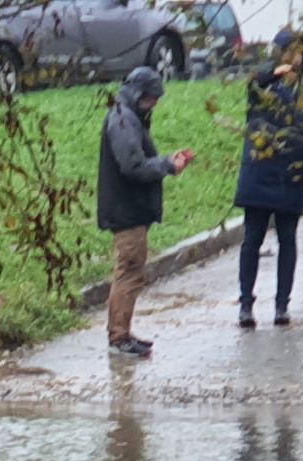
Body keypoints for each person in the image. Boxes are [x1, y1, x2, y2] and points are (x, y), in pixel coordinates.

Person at [97, 65, 193, 359]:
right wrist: (166, 165)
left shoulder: (126, 117)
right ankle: (119, 337)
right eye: (153, 98)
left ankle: (121, 333)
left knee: (128, 272)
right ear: (140, 95)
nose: (155, 103)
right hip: (127, 212)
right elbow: (133, 166)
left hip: (129, 209)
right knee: (129, 273)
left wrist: (164, 161)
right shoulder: (124, 121)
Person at [232, 28, 303, 329]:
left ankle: (282, 304)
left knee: (288, 239)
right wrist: (274, 73)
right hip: (260, 171)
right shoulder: (264, 85)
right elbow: (253, 84)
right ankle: (246, 303)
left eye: (300, 52)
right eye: (290, 51)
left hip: (291, 175)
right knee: (252, 238)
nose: (295, 58)